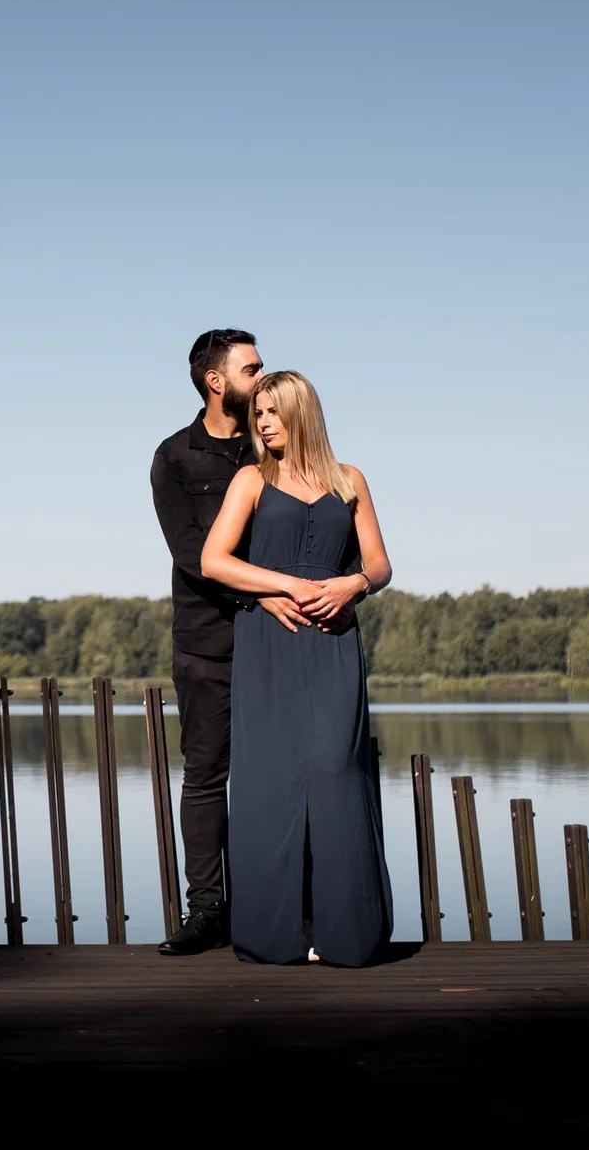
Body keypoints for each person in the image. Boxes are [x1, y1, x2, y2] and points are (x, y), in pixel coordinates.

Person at [198, 370, 393, 966]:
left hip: (333, 645)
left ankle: (346, 935)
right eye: (258, 411)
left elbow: (381, 565)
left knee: (337, 772)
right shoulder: (250, 480)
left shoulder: (350, 480)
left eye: (273, 412)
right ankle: (273, 935)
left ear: (301, 414)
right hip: (269, 644)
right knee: (271, 778)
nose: (262, 422)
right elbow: (214, 561)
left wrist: (352, 584)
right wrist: (279, 585)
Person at [148, 327, 266, 956]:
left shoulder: (273, 446)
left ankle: (278, 908)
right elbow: (194, 555)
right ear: (215, 381)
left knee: (280, 773)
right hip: (206, 642)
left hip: (279, 639)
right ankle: (207, 913)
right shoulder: (174, 457)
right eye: (252, 370)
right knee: (203, 778)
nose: (263, 379)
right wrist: (267, 592)